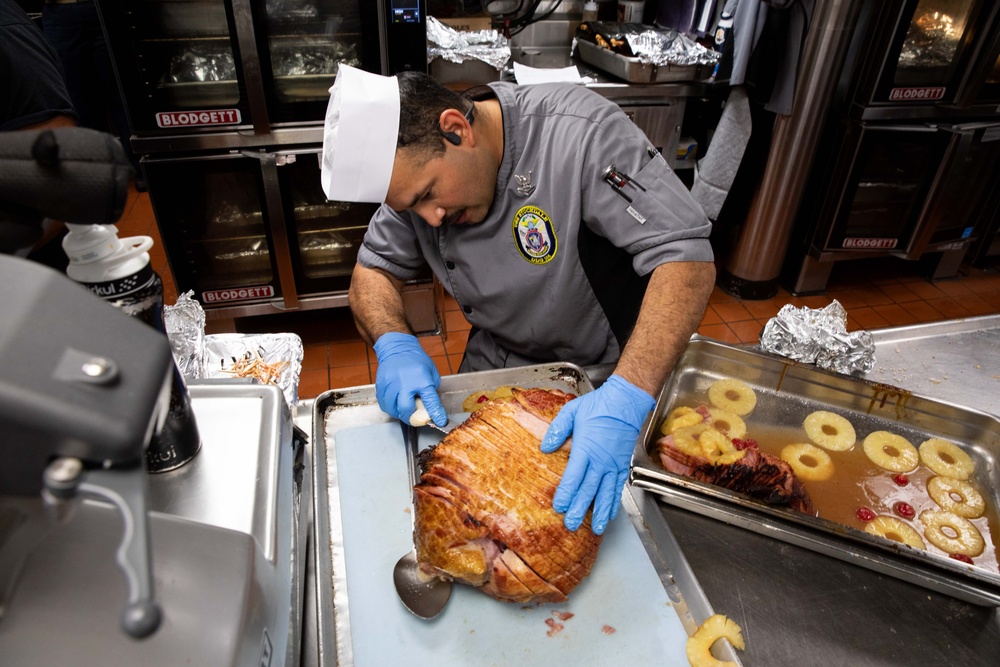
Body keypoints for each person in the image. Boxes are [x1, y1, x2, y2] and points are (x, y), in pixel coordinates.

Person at [321, 64, 716, 536]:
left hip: (601, 384)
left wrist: (627, 396)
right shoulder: (415, 182)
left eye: (429, 195)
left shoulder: (579, 135)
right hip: (496, 368)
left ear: (456, 129)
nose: (431, 218)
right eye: (412, 208)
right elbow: (372, 272)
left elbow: (687, 259)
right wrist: (392, 341)